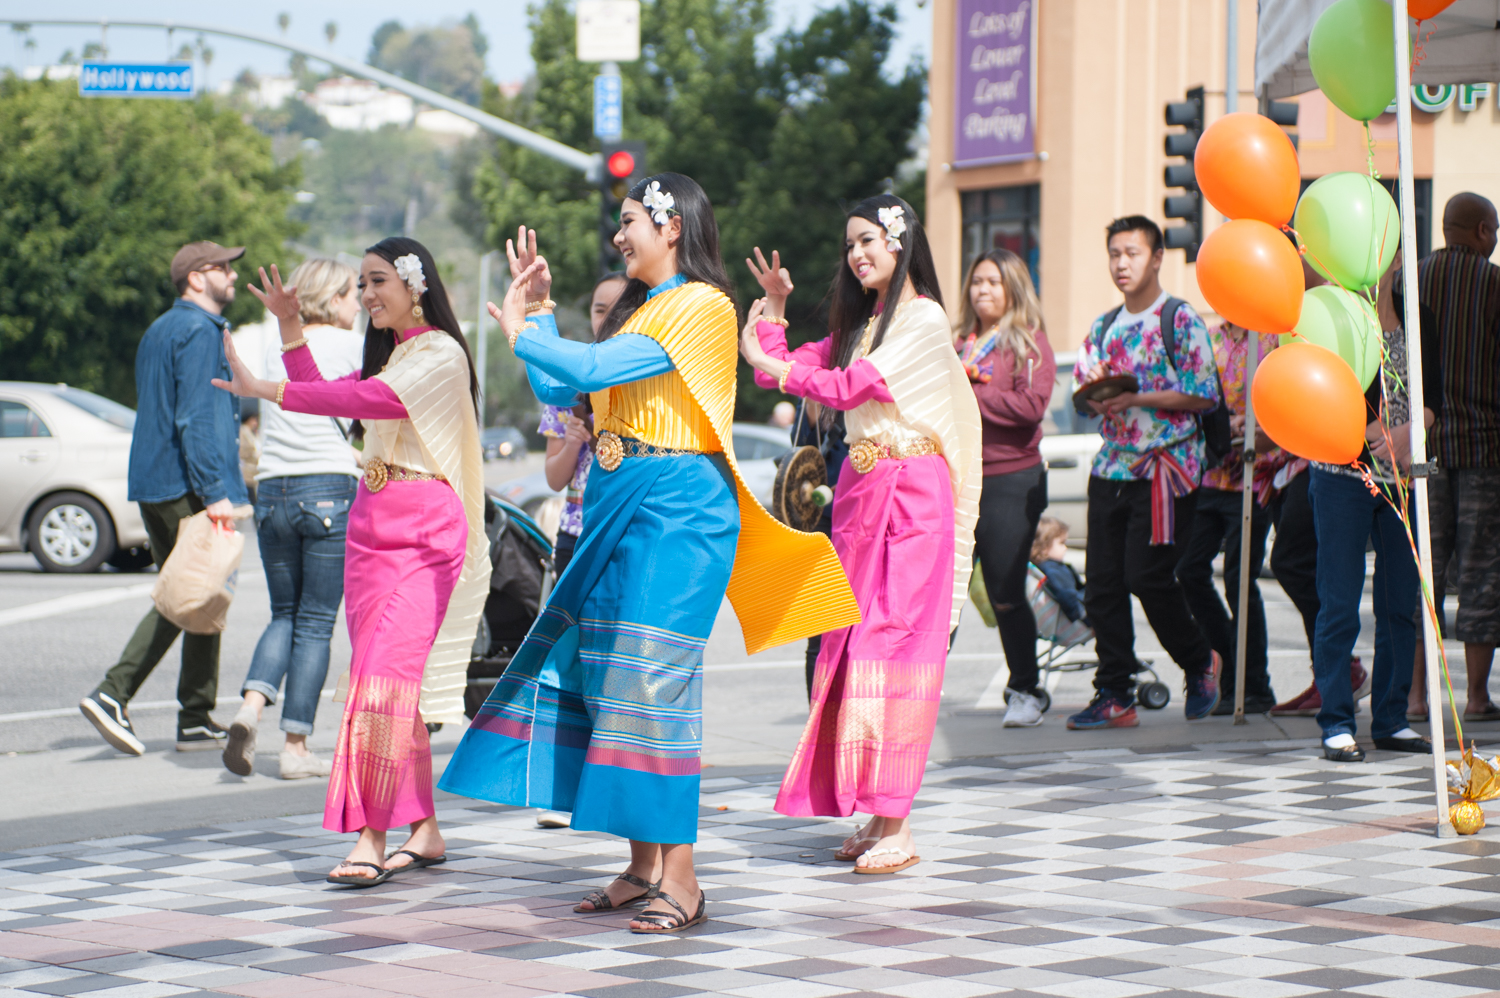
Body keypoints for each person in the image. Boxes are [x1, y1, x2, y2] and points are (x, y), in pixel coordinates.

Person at [438, 179, 858, 933]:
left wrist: (532, 333)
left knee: (651, 682)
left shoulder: (704, 304)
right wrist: (529, 318)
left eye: (629, 222)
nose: (619, 237)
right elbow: (566, 388)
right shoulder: (642, 311)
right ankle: (641, 867)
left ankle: (685, 881)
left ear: (670, 224)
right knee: (606, 681)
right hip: (614, 499)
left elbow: (591, 371)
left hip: (678, 508)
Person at [212, 237, 491, 885]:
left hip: (425, 530)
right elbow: (328, 392)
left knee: (379, 679)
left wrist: (267, 389)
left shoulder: (442, 354)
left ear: (416, 283)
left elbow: (374, 403)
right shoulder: (392, 354)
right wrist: (288, 325)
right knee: (390, 682)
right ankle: (424, 831)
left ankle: (371, 835)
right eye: (361, 285)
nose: (366, 296)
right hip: (370, 525)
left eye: (377, 281)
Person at [740, 194, 983, 874]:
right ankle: (879, 815)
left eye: (870, 239)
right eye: (851, 243)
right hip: (860, 496)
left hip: (912, 496)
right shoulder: (863, 323)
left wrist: (786, 368)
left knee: (894, 648)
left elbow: (847, 387)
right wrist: (778, 309)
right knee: (847, 648)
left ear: (901, 243)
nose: (858, 253)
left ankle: (899, 823)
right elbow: (773, 363)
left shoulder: (923, 319)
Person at [79, 240, 248, 756]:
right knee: (190, 590)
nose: (233, 277)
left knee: (207, 589)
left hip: (156, 480)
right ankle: (113, 693)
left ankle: (196, 716)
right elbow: (193, 418)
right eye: (223, 268)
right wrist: (215, 491)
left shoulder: (160, 328)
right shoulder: (200, 333)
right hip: (188, 484)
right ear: (197, 278)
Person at [1067, 216, 1222, 730]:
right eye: (1114, 254)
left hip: (1167, 467)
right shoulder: (1103, 326)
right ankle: (1114, 693)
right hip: (1112, 467)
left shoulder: (1178, 319)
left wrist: (1139, 397)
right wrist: (1101, 401)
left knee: (1149, 577)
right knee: (1102, 587)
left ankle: (1199, 662)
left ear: (1156, 258)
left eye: (1132, 253)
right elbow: (1086, 397)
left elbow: (1205, 392)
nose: (1121, 264)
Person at [221, 258, 365, 781]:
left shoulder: (274, 342)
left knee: (283, 613)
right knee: (316, 622)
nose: (359, 305)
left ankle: (249, 707)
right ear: (331, 299)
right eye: (353, 295)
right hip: (327, 488)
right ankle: (295, 747)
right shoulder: (352, 346)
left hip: (273, 489)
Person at [1310, 260, 1440, 762]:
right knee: (1339, 604)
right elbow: (1317, 394)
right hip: (1342, 476)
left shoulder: (1418, 314)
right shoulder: (1335, 314)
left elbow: (1437, 397)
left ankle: (1390, 719)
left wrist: (1415, 427)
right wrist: (1360, 433)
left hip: (1403, 480)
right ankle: (1337, 722)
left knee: (1399, 605)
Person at [954, 248, 1054, 728]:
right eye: (977, 282)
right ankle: (915, 692)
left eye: (993, 282)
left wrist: (972, 389)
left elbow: (1030, 406)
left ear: (1012, 287)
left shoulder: (1030, 342)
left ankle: (1025, 689)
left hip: (1011, 479)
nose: (983, 290)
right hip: (955, 478)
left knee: (1004, 590)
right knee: (942, 591)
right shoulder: (958, 342)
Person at [1411, 192, 1500, 722]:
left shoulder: (1410, 281)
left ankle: (1416, 697)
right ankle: (1474, 696)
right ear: (1482, 231)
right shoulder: (1495, 286)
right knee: (1482, 572)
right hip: (1486, 449)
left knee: (1424, 572)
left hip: (1425, 452)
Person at [1270, 252, 1371, 717]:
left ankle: (1343, 673)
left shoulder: (1343, 307)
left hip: (1342, 458)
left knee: (1309, 566)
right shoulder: (1296, 308)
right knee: (1298, 562)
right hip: (1302, 458)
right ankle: (1333, 671)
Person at [1175, 321, 1283, 715]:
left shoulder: (1272, 338)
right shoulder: (1209, 337)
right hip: (1210, 473)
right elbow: (1196, 398)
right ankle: (1227, 666)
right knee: (1188, 570)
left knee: (1240, 580)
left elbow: (1284, 402)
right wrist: (1221, 425)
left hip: (1255, 477)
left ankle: (1253, 685)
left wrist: (1252, 427)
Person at [539, 272, 627, 578]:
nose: (607, 319)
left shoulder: (648, 379)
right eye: (600, 310)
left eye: (618, 310)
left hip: (630, 535)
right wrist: (572, 444)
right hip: (575, 537)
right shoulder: (566, 381)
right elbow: (554, 479)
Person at [1033, 516, 1085, 624]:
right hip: (1080, 620)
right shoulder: (1054, 571)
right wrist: (1088, 620)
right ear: (1044, 546)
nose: (1065, 548)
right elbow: (1069, 599)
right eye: (1062, 543)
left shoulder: (1047, 567)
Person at [239, 410, 261, 504]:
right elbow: (242, 450)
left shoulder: (253, 432)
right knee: (251, 498)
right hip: (246, 471)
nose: (255, 423)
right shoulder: (242, 431)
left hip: (254, 471)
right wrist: (253, 452)